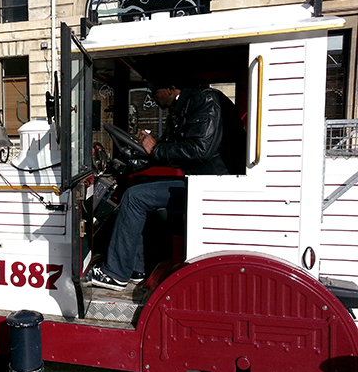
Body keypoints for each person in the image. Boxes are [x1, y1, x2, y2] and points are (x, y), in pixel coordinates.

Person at [89, 78, 246, 291]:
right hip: (199, 180)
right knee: (140, 187)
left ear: (171, 88)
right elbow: (175, 147)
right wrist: (147, 148)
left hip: (211, 186)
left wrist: (155, 149)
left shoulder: (205, 101)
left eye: (155, 89)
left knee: (136, 197)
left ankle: (115, 273)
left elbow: (200, 149)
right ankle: (136, 268)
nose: (152, 95)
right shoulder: (184, 105)